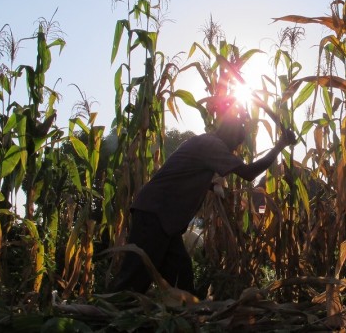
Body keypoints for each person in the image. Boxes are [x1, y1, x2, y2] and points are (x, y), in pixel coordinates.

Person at [110, 109, 296, 295]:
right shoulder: (212, 145)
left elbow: (184, 175)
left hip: (164, 220)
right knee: (135, 278)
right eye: (235, 146)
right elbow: (248, 173)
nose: (233, 151)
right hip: (155, 214)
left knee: (181, 277)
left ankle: (184, 318)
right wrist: (280, 146)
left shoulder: (202, 142)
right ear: (229, 137)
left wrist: (211, 187)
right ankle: (113, 317)